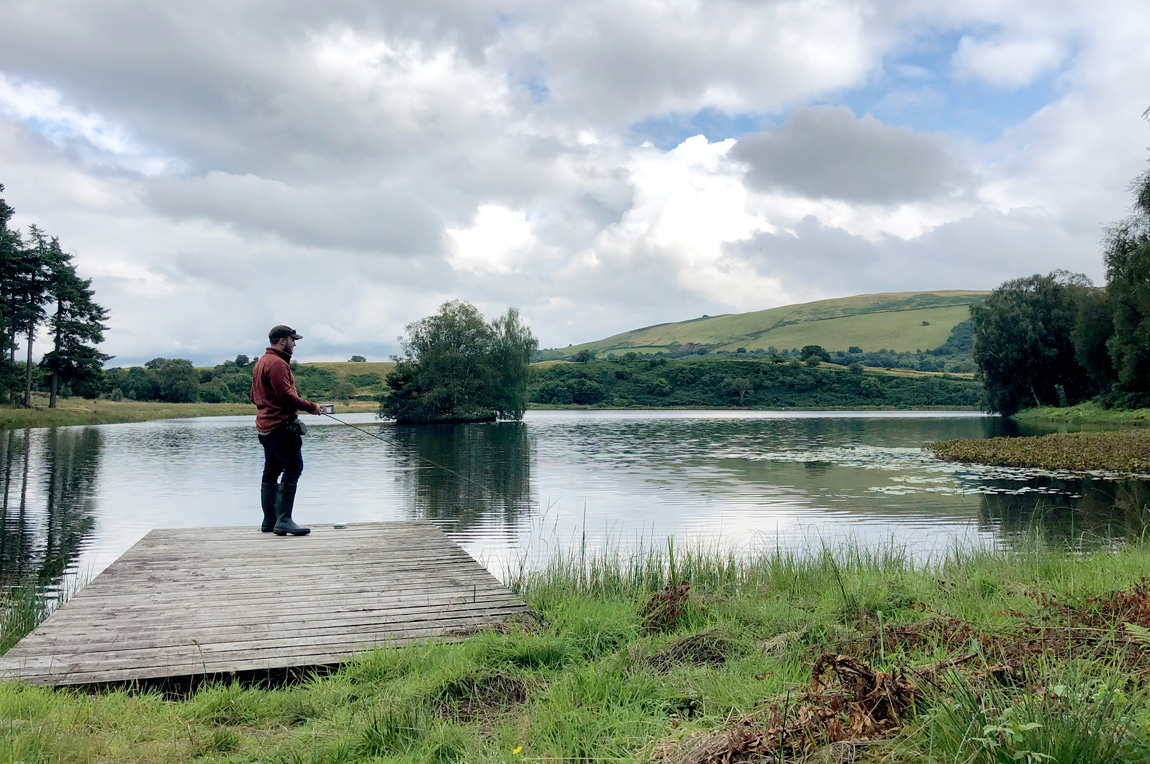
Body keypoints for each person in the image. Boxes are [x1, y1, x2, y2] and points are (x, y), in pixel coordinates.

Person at [251, 325, 322, 536]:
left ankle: (270, 520)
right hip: (281, 427)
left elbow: (254, 397)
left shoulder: (261, 362)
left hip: (265, 427)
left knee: (272, 470)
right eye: (293, 340)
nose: (294, 344)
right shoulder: (277, 364)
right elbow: (285, 397)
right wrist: (311, 406)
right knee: (293, 467)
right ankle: (284, 520)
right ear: (282, 341)